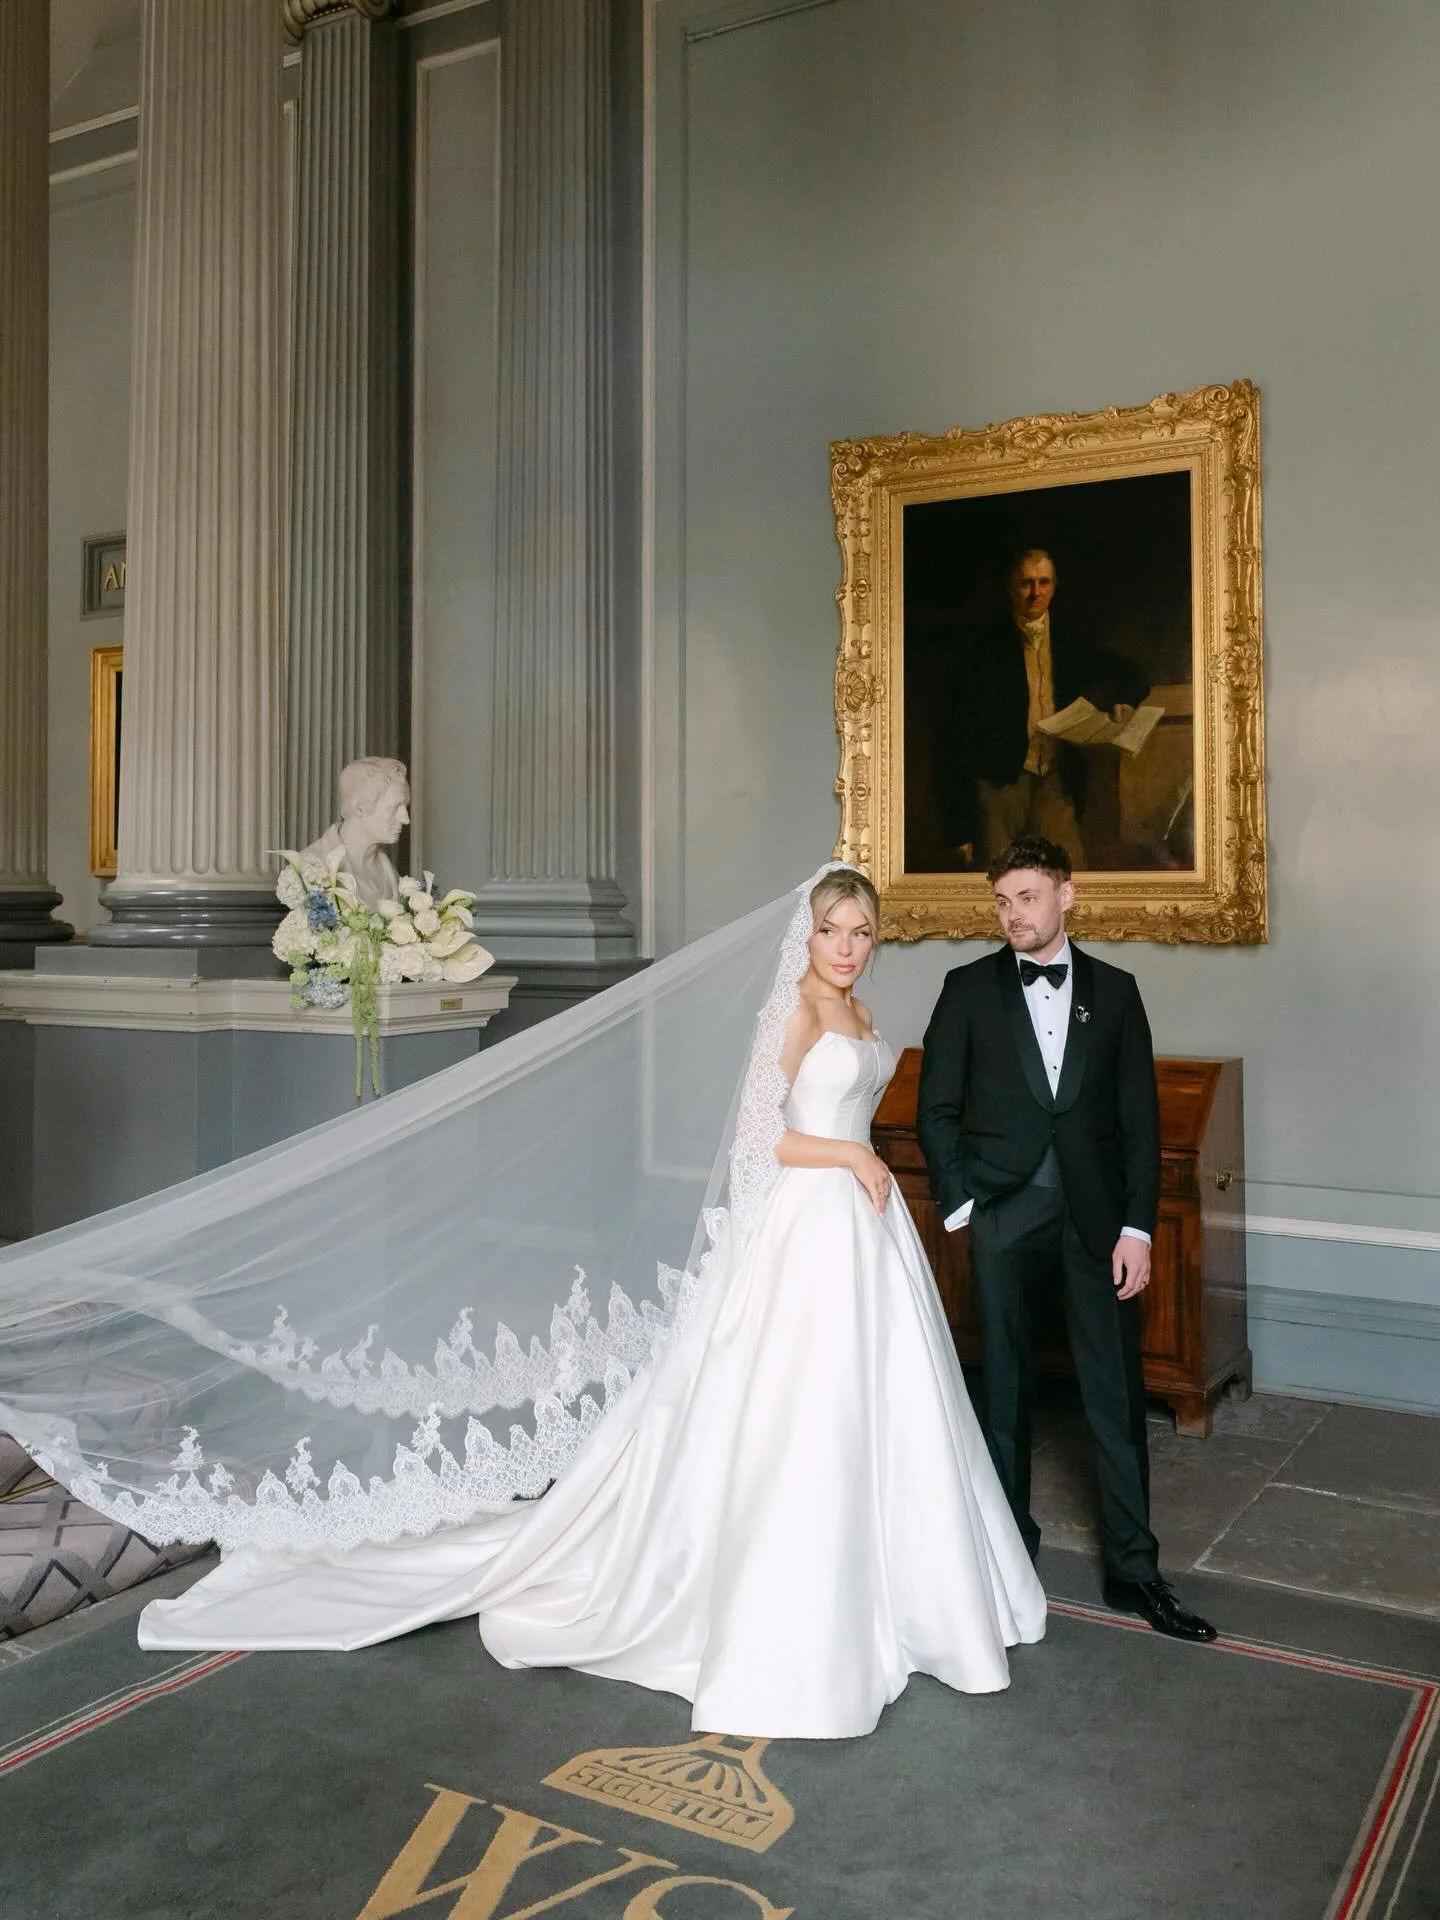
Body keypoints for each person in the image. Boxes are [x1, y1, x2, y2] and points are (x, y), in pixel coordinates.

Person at [133, 866, 1047, 1738]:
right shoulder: (801, 1010)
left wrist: (859, 1160)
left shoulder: (860, 1009)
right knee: (795, 1409)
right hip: (807, 1222)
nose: (845, 948)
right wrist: (851, 1154)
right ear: (804, 936)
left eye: (860, 934)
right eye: (829, 931)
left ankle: (897, 1591)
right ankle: (774, 1600)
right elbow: (758, 1141)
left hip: (861, 1232)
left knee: (876, 1408)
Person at [915, 836, 1215, 1643]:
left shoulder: (1117, 993)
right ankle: (1007, 1555)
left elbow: (1140, 1125)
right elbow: (935, 1107)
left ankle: (1135, 1569)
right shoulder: (967, 988)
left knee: (1113, 1397)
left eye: (1028, 897)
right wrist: (959, 1206)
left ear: (1067, 896)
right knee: (1003, 1391)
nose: (1014, 915)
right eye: (1003, 901)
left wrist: (1136, 1227)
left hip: (1096, 1222)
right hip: (1003, 1214)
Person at [940, 549, 1150, 869]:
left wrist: (1125, 698)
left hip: (1053, 776)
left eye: (1043, 582)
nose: (1035, 593)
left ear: (1054, 587)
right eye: (1026, 583)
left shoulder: (1068, 636)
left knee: (1068, 873)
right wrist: (957, 829)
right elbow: (952, 735)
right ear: (1010, 588)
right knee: (998, 880)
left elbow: (1131, 673)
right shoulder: (982, 645)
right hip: (1000, 782)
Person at [299, 756, 410, 911]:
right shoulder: (311, 866)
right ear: (359, 807)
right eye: (395, 807)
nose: (406, 819)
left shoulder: (390, 875)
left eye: (405, 807)